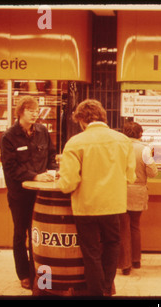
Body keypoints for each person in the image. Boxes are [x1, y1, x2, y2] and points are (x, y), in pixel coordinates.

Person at [57, 99, 136, 296]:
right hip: (113, 205)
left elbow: (68, 184)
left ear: (82, 120)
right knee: (112, 244)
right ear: (102, 116)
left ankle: (96, 292)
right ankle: (107, 287)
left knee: (91, 251)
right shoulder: (123, 140)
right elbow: (131, 177)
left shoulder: (75, 143)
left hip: (86, 206)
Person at [0, 96, 58, 290]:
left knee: (37, 234)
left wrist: (50, 172)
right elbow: (10, 167)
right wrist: (35, 176)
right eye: (31, 110)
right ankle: (24, 273)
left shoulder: (42, 131)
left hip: (40, 194)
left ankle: (37, 272)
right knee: (20, 233)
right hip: (19, 195)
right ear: (21, 112)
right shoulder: (9, 136)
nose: (35, 113)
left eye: (37, 110)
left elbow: (51, 154)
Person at [118, 121, 158, 275]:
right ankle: (136, 260)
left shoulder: (119, 148)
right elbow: (153, 173)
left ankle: (125, 264)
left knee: (123, 228)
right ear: (140, 134)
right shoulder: (145, 150)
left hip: (121, 190)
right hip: (139, 191)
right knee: (135, 226)